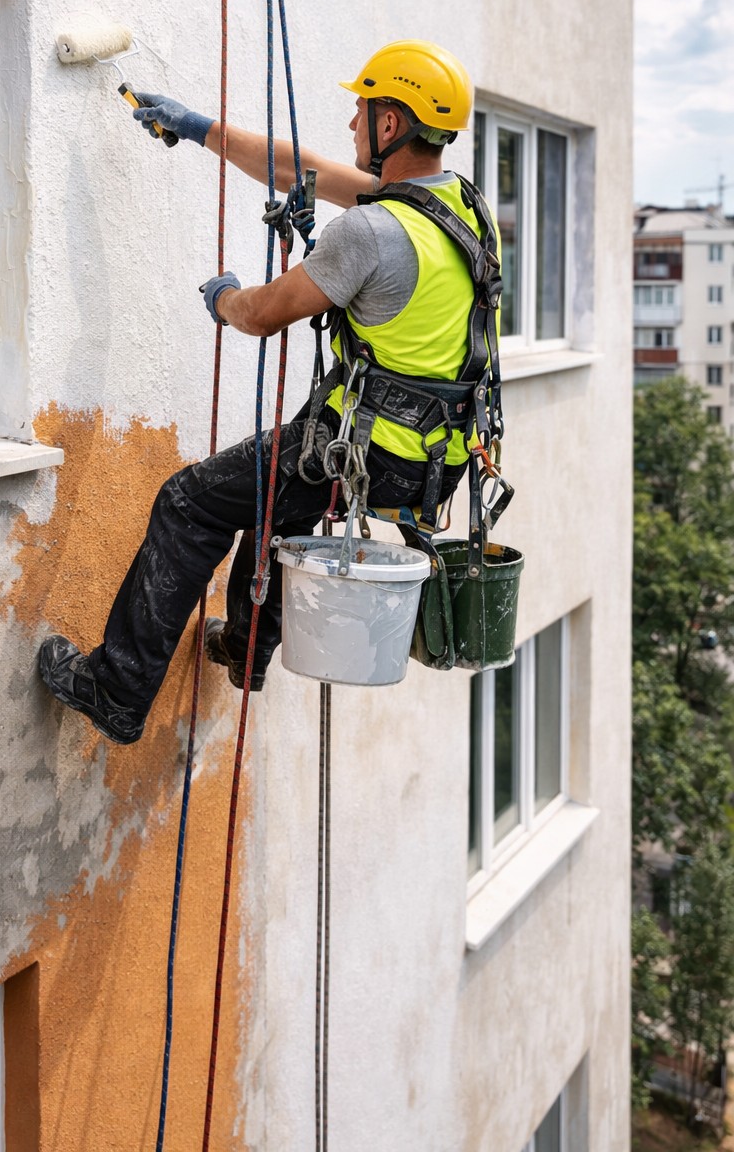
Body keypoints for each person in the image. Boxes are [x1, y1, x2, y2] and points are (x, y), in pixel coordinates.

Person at [39, 39, 494, 744]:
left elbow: (261, 315)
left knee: (190, 503)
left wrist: (222, 296)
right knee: (278, 499)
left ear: (391, 123)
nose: (351, 124)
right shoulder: (462, 210)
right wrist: (200, 130)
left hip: (361, 450)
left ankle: (116, 690)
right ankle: (246, 650)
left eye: (362, 110)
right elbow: (307, 172)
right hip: (432, 455)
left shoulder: (371, 232)